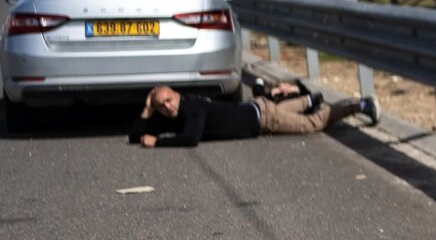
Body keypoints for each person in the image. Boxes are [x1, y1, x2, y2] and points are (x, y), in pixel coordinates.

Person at [128, 81, 380, 148]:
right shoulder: (172, 111)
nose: (167, 107)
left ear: (177, 94)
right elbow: (134, 135)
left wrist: (158, 141)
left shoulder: (192, 109)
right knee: (286, 109)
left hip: (264, 120)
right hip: (258, 107)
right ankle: (309, 99)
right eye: (161, 106)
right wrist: (147, 108)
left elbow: (191, 138)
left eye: (168, 101)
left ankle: (360, 106)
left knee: (313, 123)